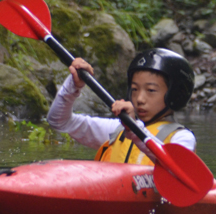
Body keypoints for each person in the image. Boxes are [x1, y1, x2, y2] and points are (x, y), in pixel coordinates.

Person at [47, 48, 196, 164]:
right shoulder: (116, 130)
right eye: (135, 89)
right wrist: (72, 87)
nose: (139, 99)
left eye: (151, 90)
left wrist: (135, 130)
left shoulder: (182, 138)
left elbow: (176, 168)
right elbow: (59, 121)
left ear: (176, 95)